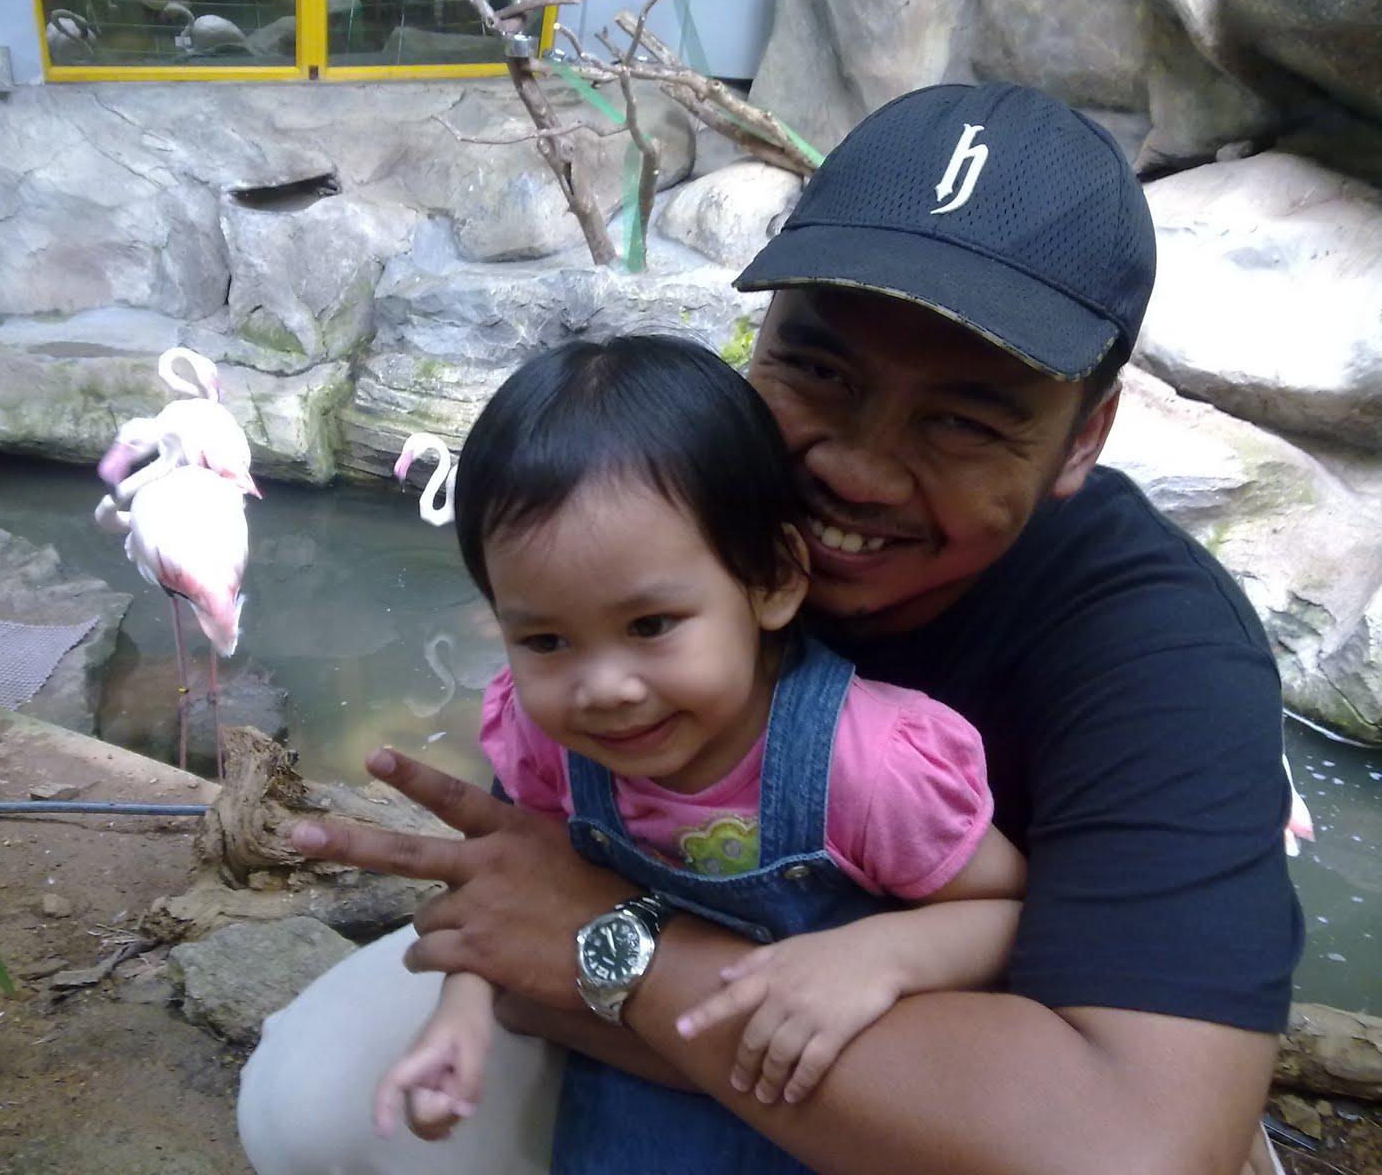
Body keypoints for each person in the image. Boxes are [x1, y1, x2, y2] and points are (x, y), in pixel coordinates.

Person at [238, 81, 1303, 1174]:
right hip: (781, 1014)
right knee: (320, 1105)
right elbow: (532, 881)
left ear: (1083, 438)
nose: (855, 468)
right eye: (816, 370)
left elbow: (1138, 1146)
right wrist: (526, 957)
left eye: (962, 421)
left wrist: (616, 963)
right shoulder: (667, 502)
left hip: (1002, 1059)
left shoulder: (1158, 655)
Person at [370, 335, 1027, 1163]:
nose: (603, 687)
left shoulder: (866, 765)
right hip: (630, 1087)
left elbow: (1008, 908)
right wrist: (461, 1014)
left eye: (650, 625)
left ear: (774, 579)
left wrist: (884, 954)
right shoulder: (547, 741)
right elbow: (513, 891)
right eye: (544, 640)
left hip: (831, 1111)